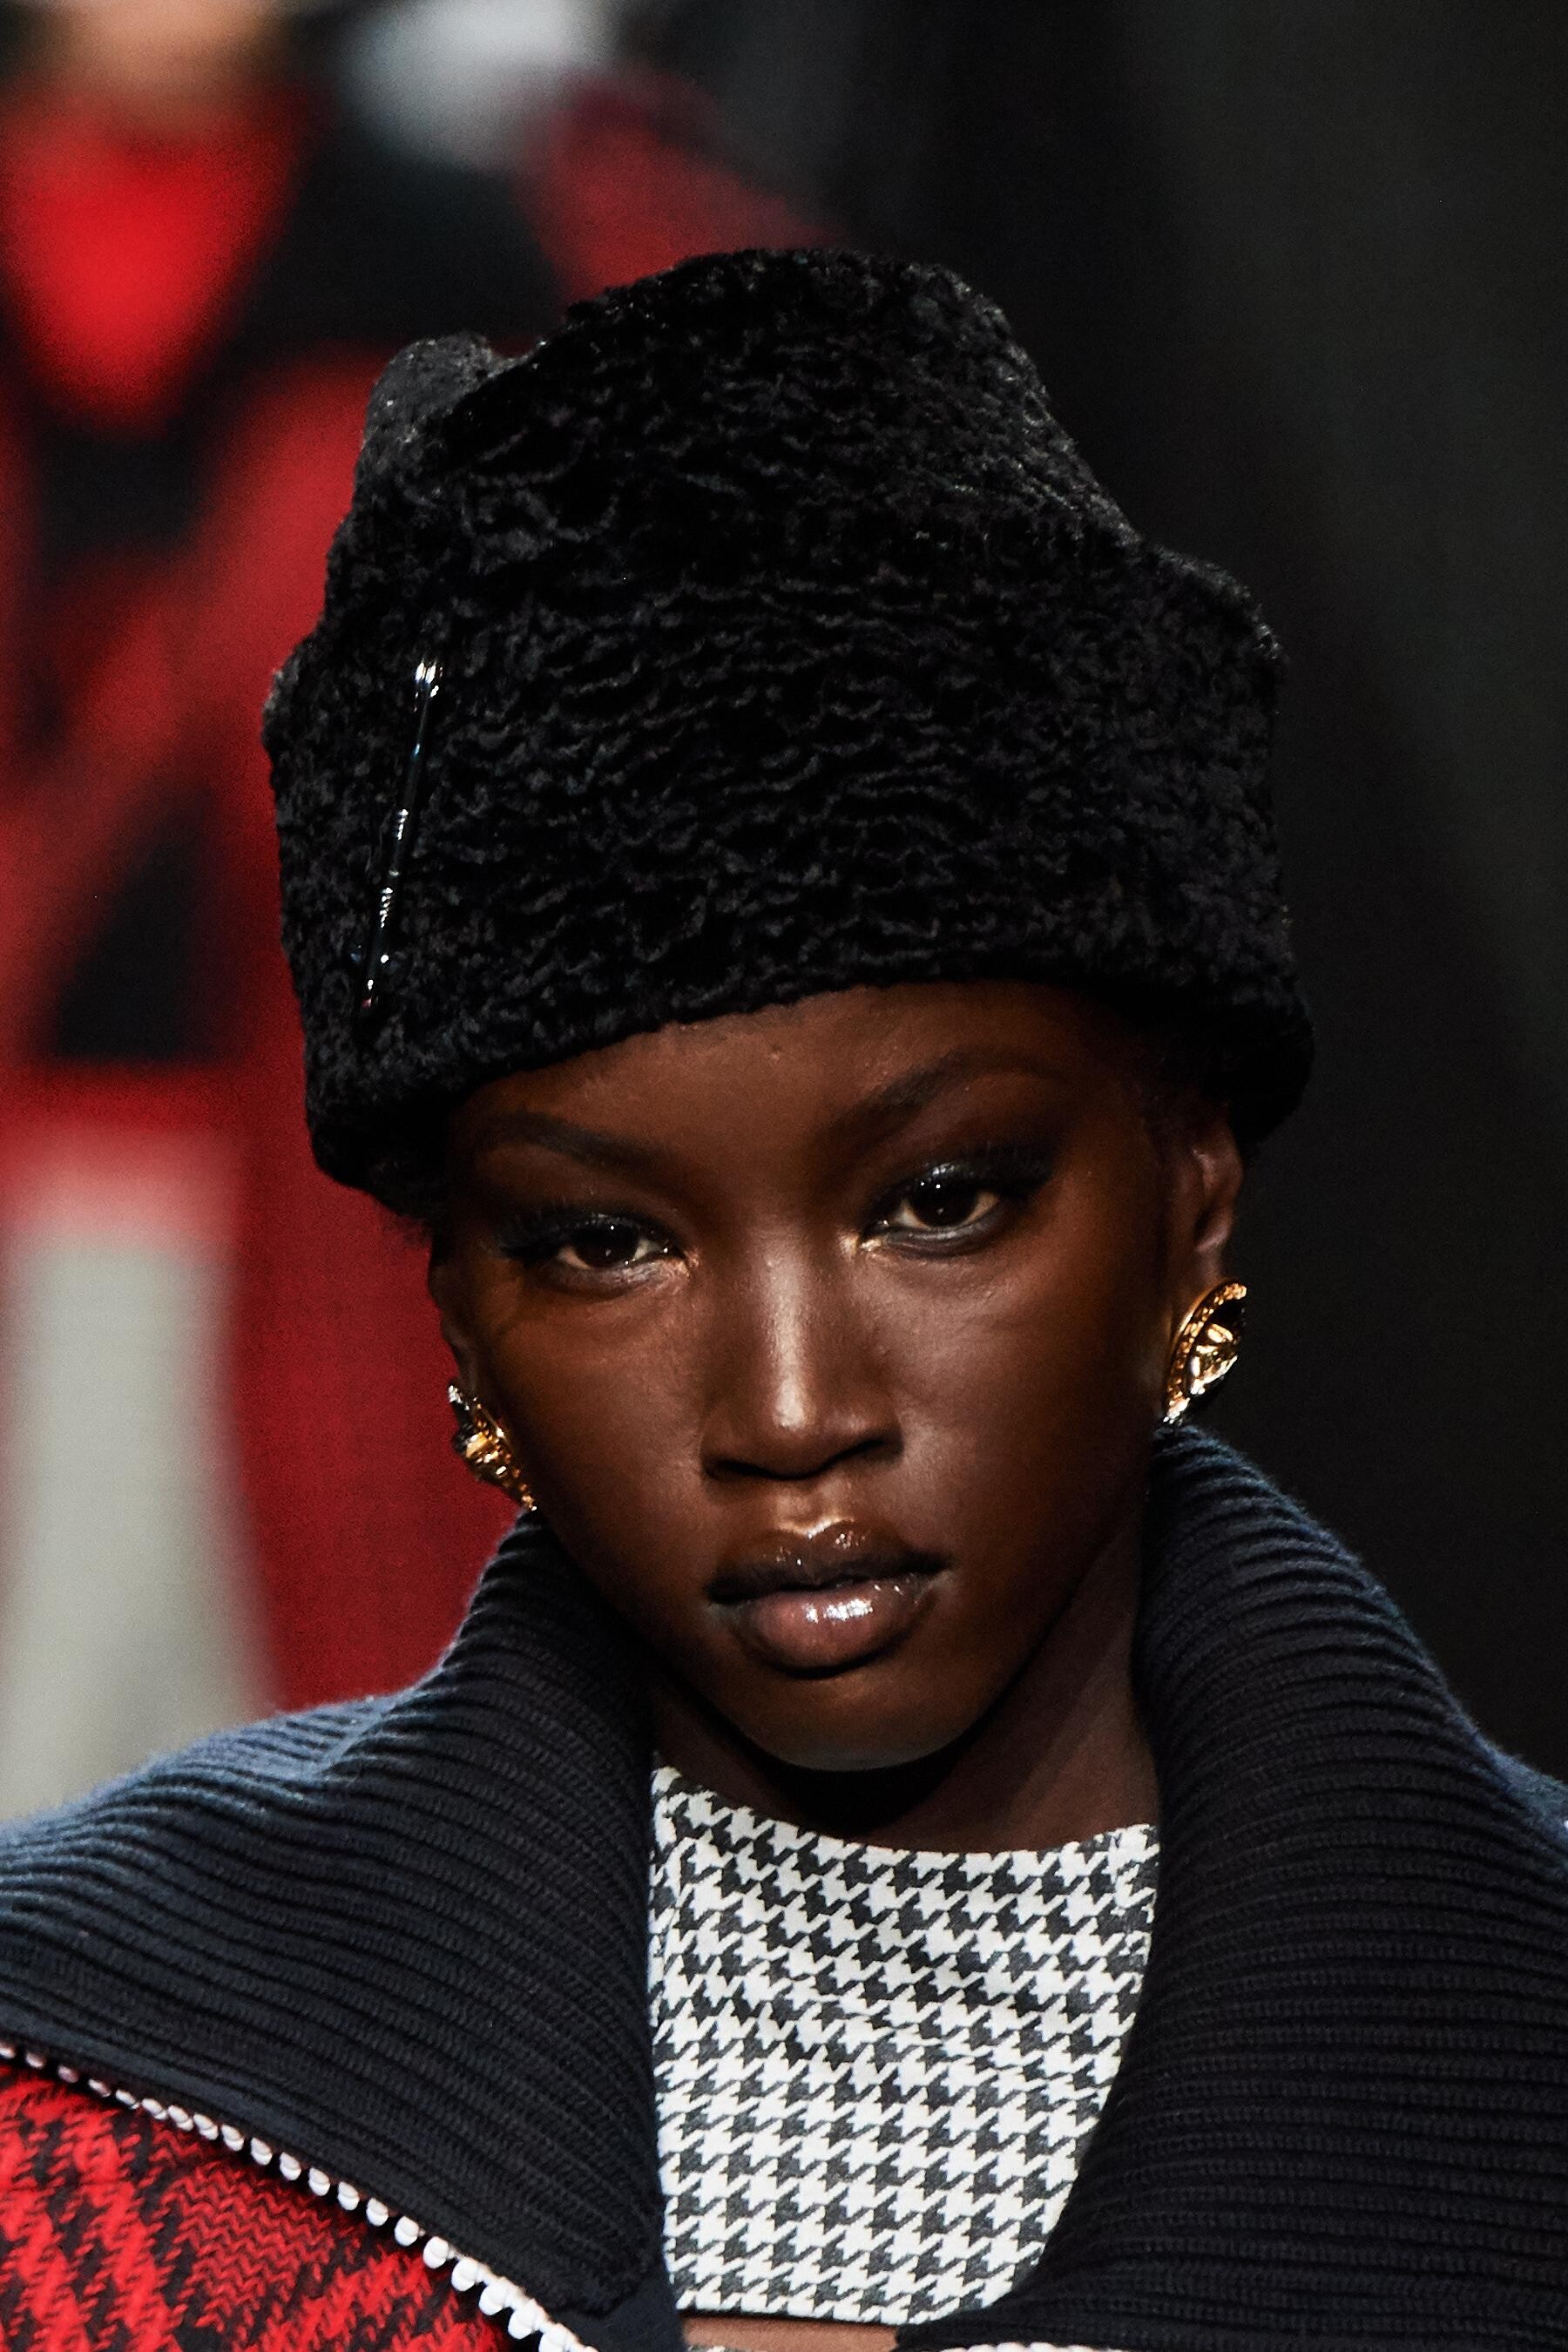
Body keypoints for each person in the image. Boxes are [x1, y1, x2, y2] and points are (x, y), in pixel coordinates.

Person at [1, 248, 1565, 2352]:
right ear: (456, 1310)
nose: (793, 1406)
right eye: (603, 1241)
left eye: (940, 1202)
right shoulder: (80, 2092)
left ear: (1194, 1202)